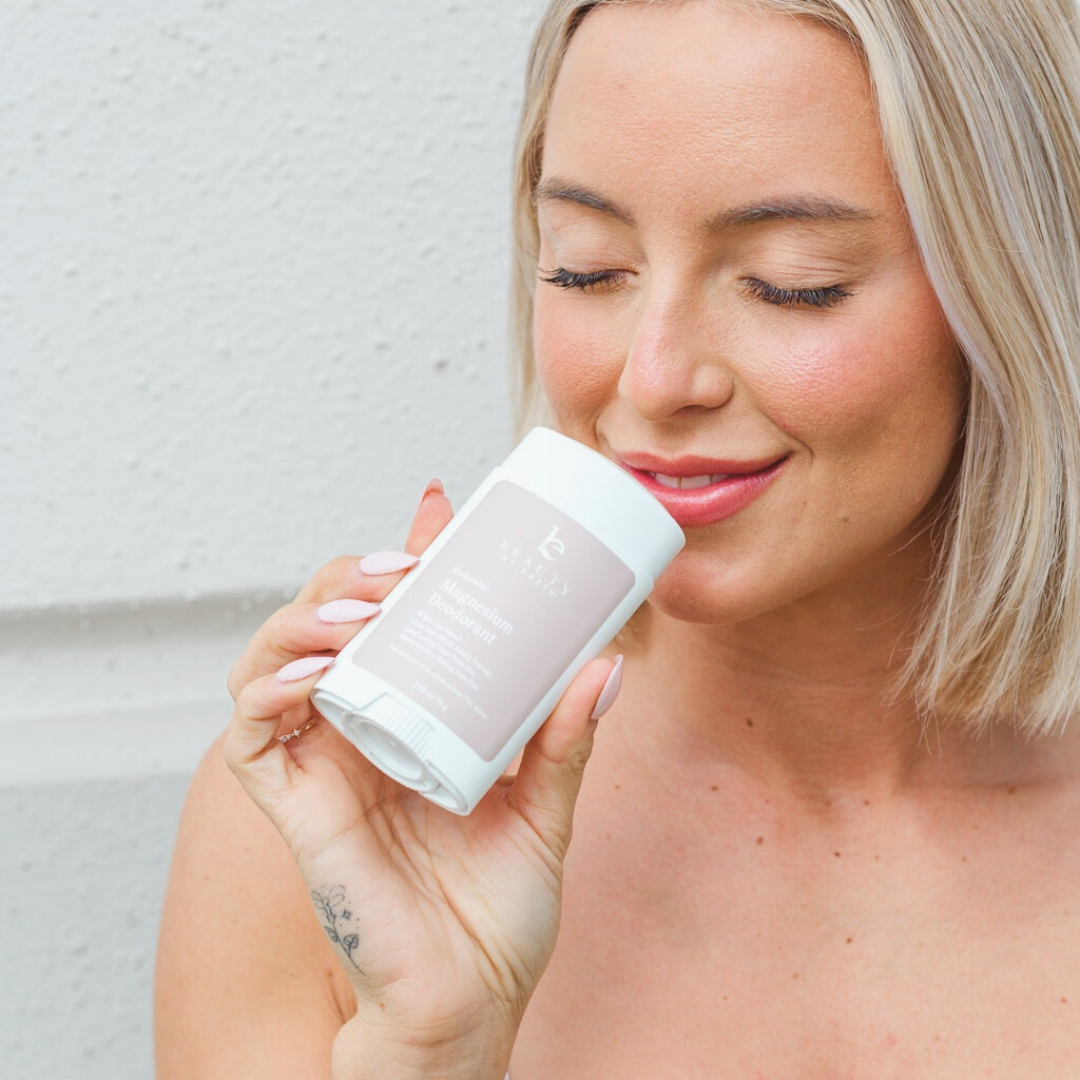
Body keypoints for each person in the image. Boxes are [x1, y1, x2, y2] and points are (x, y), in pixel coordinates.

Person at [154, 1, 1080, 1076]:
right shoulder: (334, 817)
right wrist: (433, 1047)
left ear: (1021, 294)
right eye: (588, 269)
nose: (651, 380)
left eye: (793, 282)